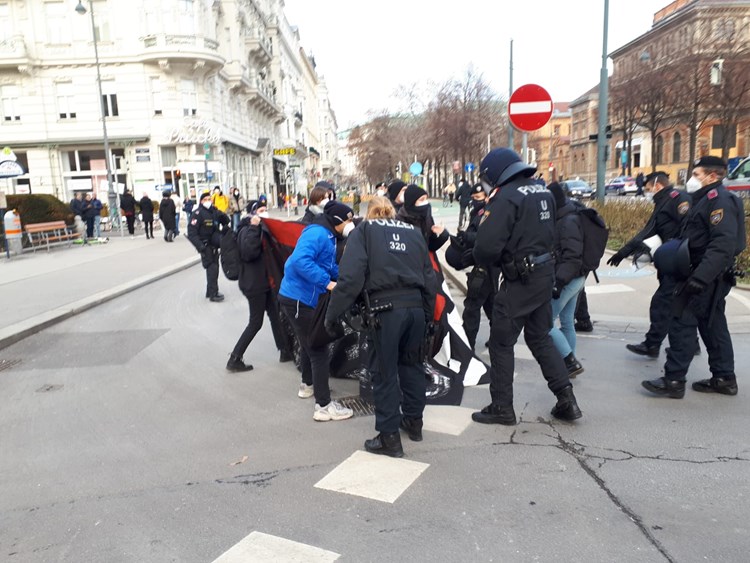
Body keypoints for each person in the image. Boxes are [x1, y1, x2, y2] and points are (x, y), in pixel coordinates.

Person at [471, 147, 582, 425]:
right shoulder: (541, 190)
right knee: (540, 336)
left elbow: (485, 247)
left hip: (519, 279)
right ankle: (566, 398)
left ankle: (501, 407)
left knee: (501, 342)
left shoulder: (505, 197)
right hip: (544, 275)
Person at [325, 196, 437, 457]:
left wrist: (332, 315)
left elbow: (350, 277)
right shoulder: (414, 233)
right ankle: (414, 422)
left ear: (369, 213)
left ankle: (389, 438)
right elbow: (429, 278)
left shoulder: (365, 231)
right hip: (416, 309)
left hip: (385, 311)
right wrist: (428, 317)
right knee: (412, 365)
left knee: (384, 372)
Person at [642, 156, 745, 399]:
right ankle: (724, 377)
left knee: (681, 323)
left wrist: (700, 277)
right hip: (706, 274)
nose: (692, 180)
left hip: (703, 275)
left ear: (712, 176)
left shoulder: (719, 201)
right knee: (713, 326)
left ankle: (674, 379)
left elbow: (723, 244)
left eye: (697, 175)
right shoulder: (706, 200)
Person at [277, 201, 355, 422]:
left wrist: (344, 277)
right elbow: (301, 261)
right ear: (339, 221)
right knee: (318, 349)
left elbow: (327, 265)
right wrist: (326, 283)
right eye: (349, 221)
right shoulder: (318, 234)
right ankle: (323, 406)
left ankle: (307, 384)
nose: (351, 225)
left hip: (297, 297)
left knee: (307, 343)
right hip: (299, 298)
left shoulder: (328, 235)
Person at [607, 171, 691, 358]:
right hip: (672, 259)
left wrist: (624, 251)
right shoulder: (665, 200)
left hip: (677, 260)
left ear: (657, 185)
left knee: (662, 304)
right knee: (681, 304)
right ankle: (690, 344)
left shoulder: (675, 200)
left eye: (648, 188)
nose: (648, 192)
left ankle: (652, 344)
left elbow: (683, 229)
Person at [227, 200, 294, 372]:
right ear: (252, 213)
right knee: (255, 322)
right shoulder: (245, 230)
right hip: (254, 285)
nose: (264, 213)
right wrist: (254, 228)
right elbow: (249, 252)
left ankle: (284, 350)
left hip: (264, 283)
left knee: (275, 316)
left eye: (265, 210)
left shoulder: (258, 229)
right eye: (260, 210)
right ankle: (235, 358)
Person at [547, 182, 586, 377]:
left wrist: (559, 283)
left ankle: (570, 360)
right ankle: (569, 364)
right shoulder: (568, 214)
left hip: (567, 279)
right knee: (567, 321)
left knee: (545, 323)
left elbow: (572, 256)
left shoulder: (567, 221)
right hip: (575, 278)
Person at [458, 183, 498, 351]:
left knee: (472, 308)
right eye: (473, 198)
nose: (475, 202)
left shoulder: (490, 213)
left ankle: (467, 348)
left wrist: (466, 237)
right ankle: (498, 340)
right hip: (488, 267)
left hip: (485, 267)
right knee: (490, 305)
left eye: (479, 198)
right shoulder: (480, 212)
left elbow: (486, 238)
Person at [188, 191, 229, 302]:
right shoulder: (197, 213)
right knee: (212, 268)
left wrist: (221, 215)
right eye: (205, 199)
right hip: (205, 245)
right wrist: (200, 246)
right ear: (201, 201)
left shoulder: (213, 211)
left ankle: (209, 291)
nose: (208, 201)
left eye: (209, 199)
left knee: (214, 268)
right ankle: (213, 294)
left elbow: (226, 220)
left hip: (214, 245)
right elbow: (192, 233)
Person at [397, 185, 449, 252]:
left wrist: (443, 234)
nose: (426, 202)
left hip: (424, 260)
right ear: (412, 202)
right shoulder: (400, 220)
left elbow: (431, 246)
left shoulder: (427, 217)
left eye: (426, 199)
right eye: (422, 199)